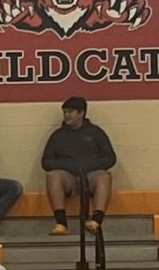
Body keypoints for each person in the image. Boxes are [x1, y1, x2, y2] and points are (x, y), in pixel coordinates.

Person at [41, 96, 116, 235]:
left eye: (70, 112)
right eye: (65, 112)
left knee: (104, 176)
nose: (66, 115)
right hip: (68, 177)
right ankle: (61, 222)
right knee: (53, 176)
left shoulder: (96, 133)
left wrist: (86, 166)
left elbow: (110, 158)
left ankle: (96, 221)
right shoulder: (58, 135)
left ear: (81, 113)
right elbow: (46, 162)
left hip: (91, 176)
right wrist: (71, 166)